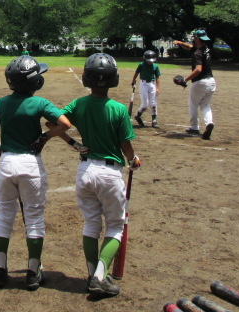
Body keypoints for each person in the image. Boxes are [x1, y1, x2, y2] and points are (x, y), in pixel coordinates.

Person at [49, 53, 140, 298]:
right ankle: (100, 276)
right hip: (110, 173)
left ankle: (92, 273)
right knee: (115, 226)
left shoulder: (78, 104)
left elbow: (52, 121)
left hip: (85, 171)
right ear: (114, 80)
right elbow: (126, 146)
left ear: (87, 79)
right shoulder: (119, 109)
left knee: (91, 223)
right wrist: (133, 161)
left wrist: (72, 142)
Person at [0, 55, 72, 291]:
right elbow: (65, 124)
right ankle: (33, 273)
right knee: (33, 218)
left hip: (7, 163)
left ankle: (0, 271)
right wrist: (44, 137)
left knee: (4, 217)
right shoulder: (40, 103)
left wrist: (3, 158)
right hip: (30, 165)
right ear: (35, 83)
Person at [173, 30, 216, 140]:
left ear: (197, 39)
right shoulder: (206, 49)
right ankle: (209, 123)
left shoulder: (197, 53)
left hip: (200, 82)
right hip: (211, 81)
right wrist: (179, 42)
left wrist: (185, 79)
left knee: (193, 104)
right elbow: (189, 47)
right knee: (205, 105)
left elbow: (198, 69)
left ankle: (194, 127)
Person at [131, 50, 161, 128]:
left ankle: (154, 120)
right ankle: (138, 116)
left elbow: (157, 77)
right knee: (145, 105)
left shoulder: (155, 66)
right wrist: (133, 81)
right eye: (148, 61)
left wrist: (157, 88)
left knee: (153, 103)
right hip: (143, 84)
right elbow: (136, 73)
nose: (150, 62)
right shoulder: (141, 65)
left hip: (152, 84)